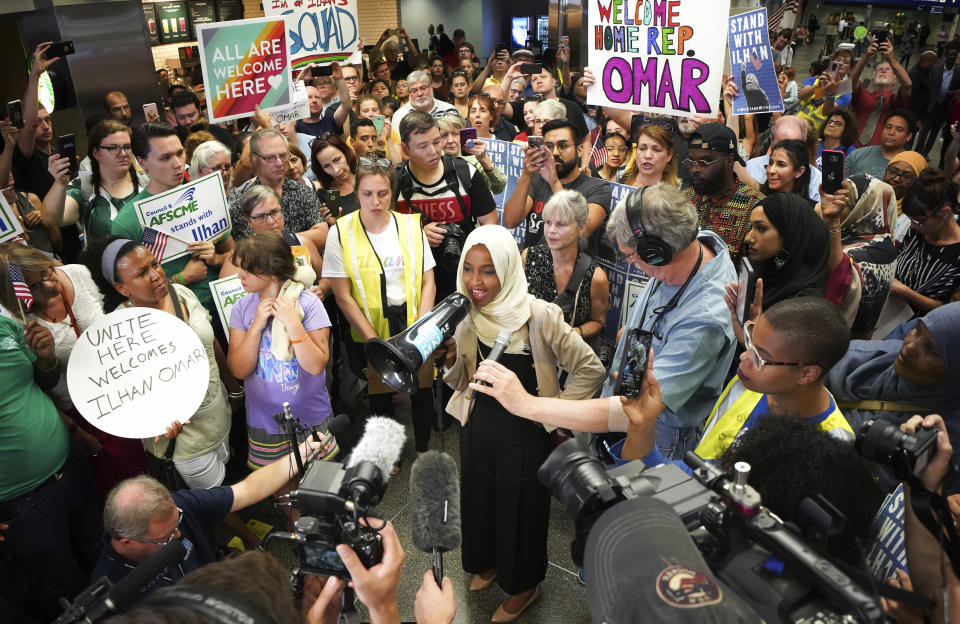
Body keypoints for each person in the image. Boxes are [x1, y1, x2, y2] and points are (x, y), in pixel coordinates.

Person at [442, 224, 604, 622]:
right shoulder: (466, 311)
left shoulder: (539, 315)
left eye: (488, 270)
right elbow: (465, 374)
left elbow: (590, 368)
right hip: (478, 425)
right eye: (469, 268)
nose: (475, 281)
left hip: (526, 433)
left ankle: (524, 585)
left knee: (522, 511)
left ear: (510, 269)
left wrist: (554, 412)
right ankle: (489, 560)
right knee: (480, 497)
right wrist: (448, 359)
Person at [612, 297, 854, 467]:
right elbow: (694, 476)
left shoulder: (831, 447)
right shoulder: (749, 386)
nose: (743, 357)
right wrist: (642, 424)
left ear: (807, 374)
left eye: (760, 357)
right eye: (750, 342)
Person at [90, 431, 332, 599]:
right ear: (127, 542)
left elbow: (247, 490)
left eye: (177, 524)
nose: (178, 535)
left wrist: (301, 453)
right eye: (165, 537)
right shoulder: (114, 590)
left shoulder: (179, 506)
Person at [87, 236, 232, 489]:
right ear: (121, 288)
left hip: (219, 414)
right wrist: (155, 423)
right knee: (215, 500)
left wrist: (234, 389)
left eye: (155, 264)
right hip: (186, 441)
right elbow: (127, 395)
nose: (156, 275)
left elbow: (213, 345)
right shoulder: (119, 333)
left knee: (229, 473)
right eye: (143, 273)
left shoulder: (182, 294)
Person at [604, 184, 737, 457]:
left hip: (659, 434)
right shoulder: (693, 243)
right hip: (626, 397)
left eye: (631, 256)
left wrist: (532, 405)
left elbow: (644, 407)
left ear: (656, 252)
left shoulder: (705, 318)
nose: (630, 264)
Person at [322, 160, 438, 459]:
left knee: (423, 388)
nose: (376, 201)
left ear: (392, 191)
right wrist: (373, 339)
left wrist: (422, 326)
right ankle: (391, 454)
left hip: (413, 320)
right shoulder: (341, 232)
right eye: (367, 193)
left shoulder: (412, 226)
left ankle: (424, 447)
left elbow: (428, 281)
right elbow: (343, 295)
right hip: (370, 327)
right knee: (381, 395)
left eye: (383, 193)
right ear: (356, 192)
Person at [0, 306, 102, 620]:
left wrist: (45, 358)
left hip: (70, 468)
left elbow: (40, 382)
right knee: (64, 592)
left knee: (102, 554)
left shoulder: (4, 323)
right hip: (21, 503)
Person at [110, 124, 234, 339]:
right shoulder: (127, 222)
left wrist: (216, 258)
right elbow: (130, 294)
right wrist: (182, 278)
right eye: (165, 158)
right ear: (142, 162)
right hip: (178, 324)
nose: (178, 164)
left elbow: (234, 253)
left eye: (179, 153)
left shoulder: (204, 195)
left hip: (228, 308)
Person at [227, 232, 337, 475]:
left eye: (247, 270)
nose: (239, 276)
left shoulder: (308, 304)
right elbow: (238, 370)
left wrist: (293, 323)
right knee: (281, 486)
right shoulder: (242, 308)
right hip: (264, 421)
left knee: (321, 483)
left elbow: (316, 365)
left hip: (310, 415)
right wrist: (256, 326)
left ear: (271, 271)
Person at [394, 111, 498, 299]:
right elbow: (380, 235)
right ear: (405, 149)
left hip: (463, 276)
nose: (434, 151)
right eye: (423, 146)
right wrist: (418, 235)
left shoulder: (465, 172)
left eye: (436, 141)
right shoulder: (394, 182)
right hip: (413, 281)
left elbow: (490, 224)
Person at [827, 303, 960, 438]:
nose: (909, 348)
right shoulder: (873, 358)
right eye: (917, 331)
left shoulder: (945, 440)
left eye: (931, 350)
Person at [503, 119, 611, 252]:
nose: (555, 153)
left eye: (563, 146)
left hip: (573, 269)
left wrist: (554, 182)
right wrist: (527, 174)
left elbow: (582, 230)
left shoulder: (598, 188)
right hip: (532, 265)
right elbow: (511, 221)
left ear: (579, 150)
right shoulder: (537, 179)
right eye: (549, 146)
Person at [523, 190, 609, 346]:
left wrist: (572, 333)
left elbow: (598, 321)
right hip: (529, 349)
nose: (551, 231)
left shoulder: (596, 277)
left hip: (568, 356)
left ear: (581, 228)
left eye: (561, 224)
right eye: (548, 222)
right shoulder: (528, 257)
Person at [42, 120, 148, 244]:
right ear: (96, 153)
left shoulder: (148, 180)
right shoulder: (83, 186)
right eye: (113, 148)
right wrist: (60, 183)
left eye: (127, 147)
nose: (123, 153)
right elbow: (52, 219)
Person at [819, 174, 900, 338]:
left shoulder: (856, 255)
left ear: (863, 209)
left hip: (839, 338)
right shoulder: (885, 243)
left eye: (844, 205)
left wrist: (831, 221)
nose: (834, 208)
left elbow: (837, 279)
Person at [681, 123, 764, 265]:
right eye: (691, 161)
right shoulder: (682, 200)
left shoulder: (756, 207)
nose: (695, 169)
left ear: (729, 161)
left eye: (704, 162)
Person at [228, 128, 324, 244]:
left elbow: (322, 234)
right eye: (270, 158)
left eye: (283, 155)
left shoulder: (302, 191)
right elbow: (242, 246)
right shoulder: (240, 198)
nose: (279, 163)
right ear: (253, 158)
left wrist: (280, 238)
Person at [220, 186, 324, 287]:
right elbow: (226, 298)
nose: (271, 221)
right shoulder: (238, 256)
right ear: (248, 221)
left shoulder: (303, 243)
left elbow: (325, 279)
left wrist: (322, 289)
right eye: (261, 216)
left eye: (274, 212)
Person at [893, 170, 960, 313]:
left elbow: (949, 311)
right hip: (892, 308)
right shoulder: (918, 230)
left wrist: (904, 292)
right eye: (911, 219)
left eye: (919, 221)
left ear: (945, 213)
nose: (912, 225)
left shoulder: (956, 255)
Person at [742, 115, 823, 201]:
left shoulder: (816, 180)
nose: (771, 171)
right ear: (771, 140)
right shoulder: (752, 167)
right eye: (779, 145)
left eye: (781, 164)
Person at [849, 39, 913, 148]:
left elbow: (907, 84)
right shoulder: (863, 95)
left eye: (888, 70)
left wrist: (891, 59)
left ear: (895, 80)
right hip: (853, 151)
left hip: (880, 154)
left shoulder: (897, 100)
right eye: (880, 70)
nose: (883, 71)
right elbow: (851, 81)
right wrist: (866, 56)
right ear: (873, 79)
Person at [435, 113, 507, 194]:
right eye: (444, 135)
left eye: (455, 134)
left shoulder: (475, 160)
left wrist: (485, 160)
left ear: (462, 136)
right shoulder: (435, 159)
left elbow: (498, 188)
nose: (450, 140)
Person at [915, 43, 960, 161]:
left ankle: (925, 153)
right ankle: (917, 152)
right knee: (924, 131)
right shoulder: (936, 68)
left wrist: (952, 93)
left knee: (934, 133)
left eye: (955, 55)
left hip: (944, 108)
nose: (952, 57)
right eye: (950, 54)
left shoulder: (958, 71)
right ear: (945, 55)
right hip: (931, 105)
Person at [845, 108, 916, 179]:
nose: (891, 132)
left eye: (899, 130)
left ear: (908, 136)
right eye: (888, 127)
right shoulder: (856, 156)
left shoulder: (913, 165)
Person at [310, 133, 362, 222]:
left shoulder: (367, 175)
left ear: (346, 153)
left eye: (337, 160)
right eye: (326, 166)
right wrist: (332, 224)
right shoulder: (323, 196)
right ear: (321, 169)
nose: (335, 170)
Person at [882, 151, 927, 241]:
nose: (896, 179)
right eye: (893, 171)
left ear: (917, 182)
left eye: (906, 176)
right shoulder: (868, 198)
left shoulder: (915, 219)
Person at [295, 66, 352, 138]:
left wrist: (339, 79)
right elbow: (289, 107)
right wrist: (301, 78)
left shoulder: (331, 121)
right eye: (309, 97)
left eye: (317, 97)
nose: (314, 100)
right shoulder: (295, 126)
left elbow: (346, 106)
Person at [168, 90, 233, 149]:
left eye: (191, 115)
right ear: (175, 115)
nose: (187, 121)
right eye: (181, 117)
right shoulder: (171, 138)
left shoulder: (218, 133)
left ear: (199, 110)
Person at [391, 70, 456, 129]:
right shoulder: (399, 116)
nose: (419, 94)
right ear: (409, 92)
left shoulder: (448, 109)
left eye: (423, 88)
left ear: (431, 87)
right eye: (414, 90)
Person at [760, 139, 815, 204]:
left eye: (781, 164)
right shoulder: (756, 199)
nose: (771, 170)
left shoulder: (812, 209)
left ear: (799, 172)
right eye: (770, 163)